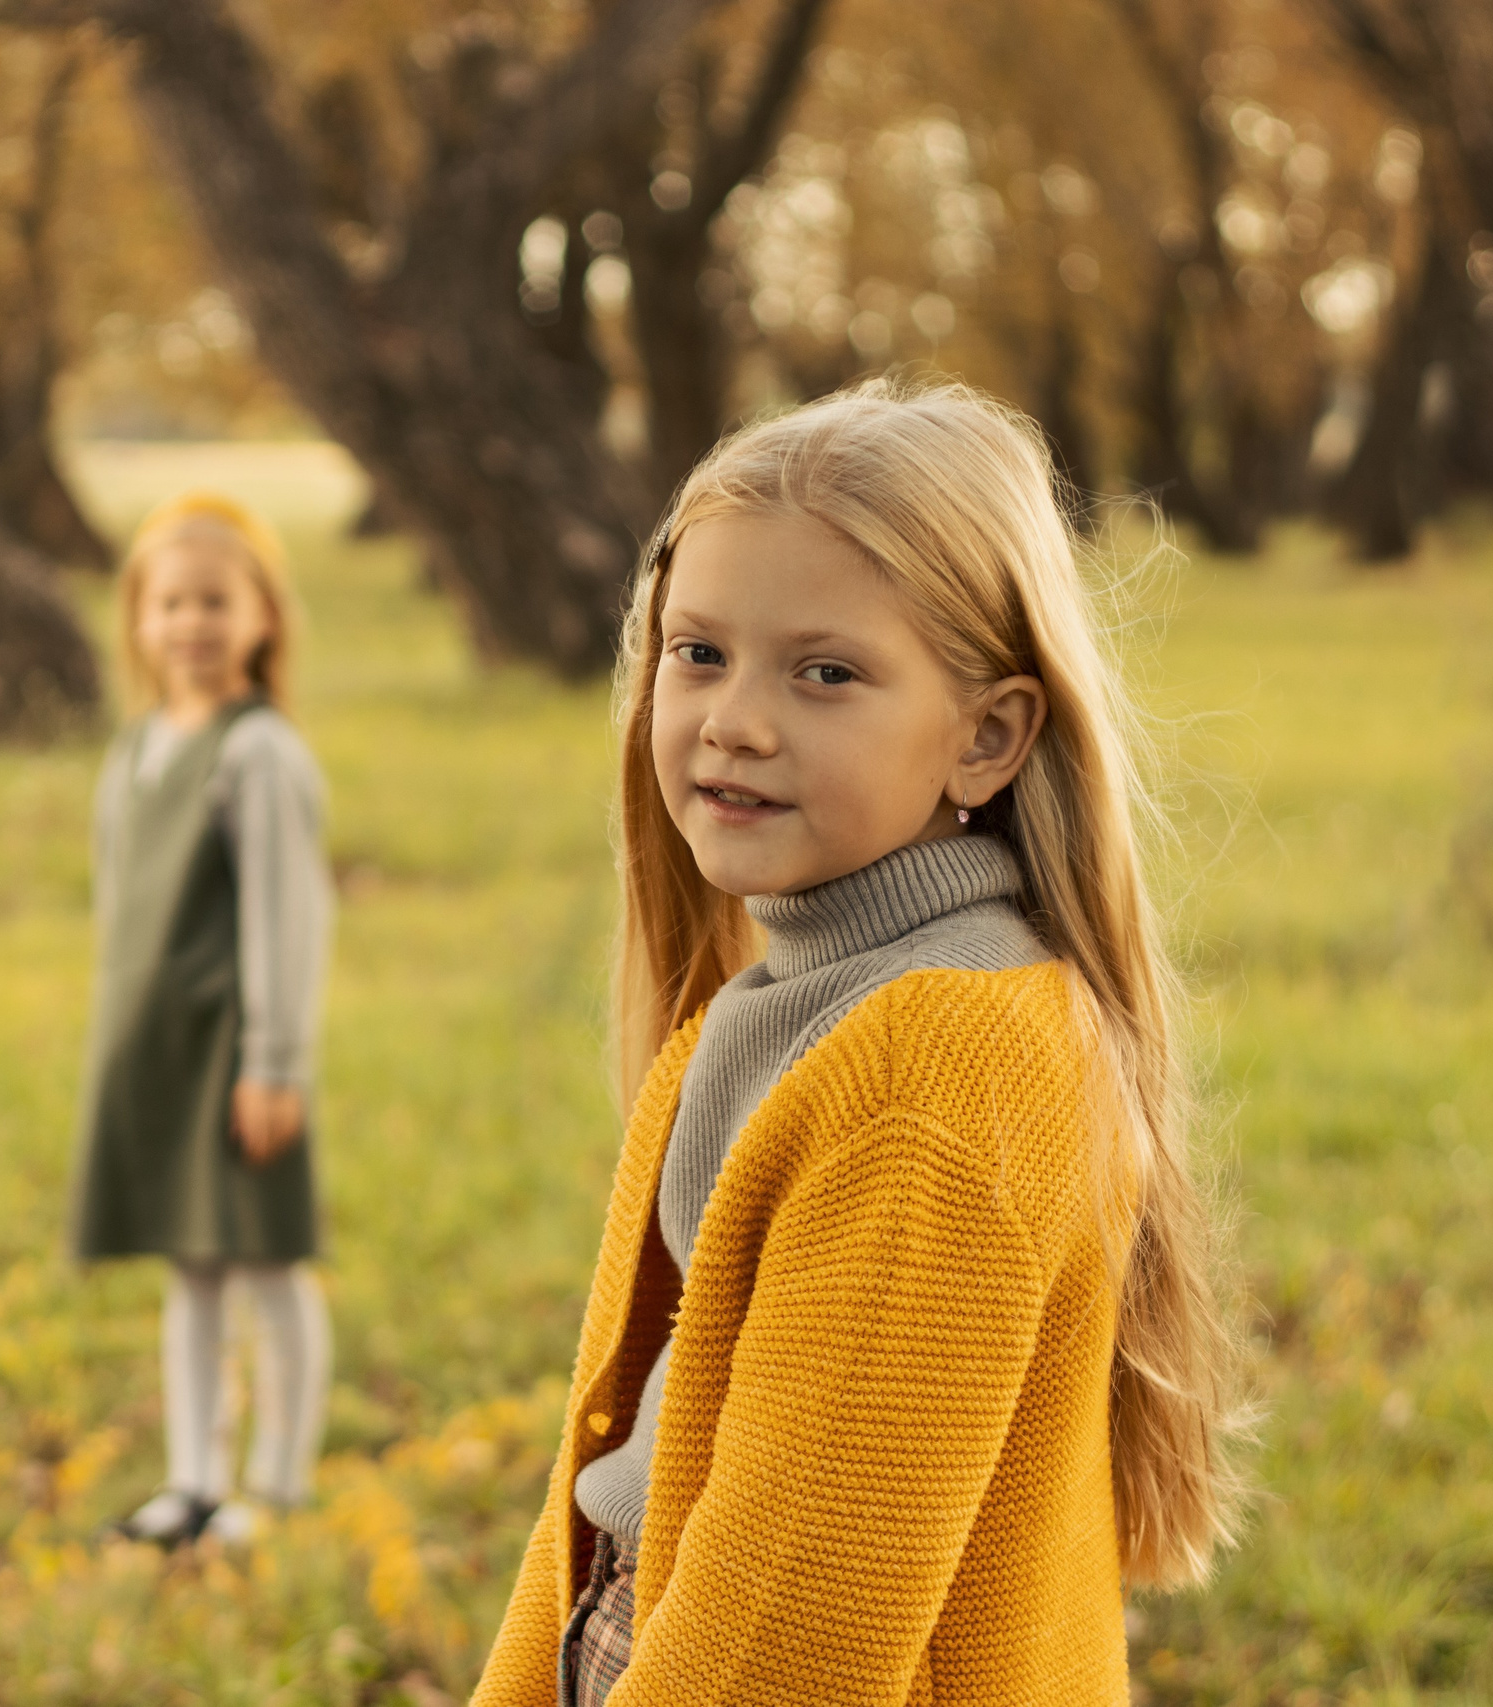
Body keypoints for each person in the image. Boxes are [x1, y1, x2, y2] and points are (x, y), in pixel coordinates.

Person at [471, 381, 1244, 1706]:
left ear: (988, 735)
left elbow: (788, 1638)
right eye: (698, 651)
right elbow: (609, 1500)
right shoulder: (798, 998)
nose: (736, 719)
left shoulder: (930, 1077)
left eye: (825, 672)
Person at [73, 492, 335, 1550]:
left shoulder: (259, 754)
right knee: (188, 1269)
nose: (190, 622)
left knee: (265, 1265)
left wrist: (274, 1063)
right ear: (138, 619)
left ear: (263, 617)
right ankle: (191, 1479)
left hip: (237, 1059)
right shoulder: (135, 747)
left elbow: (287, 917)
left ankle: (272, 1488)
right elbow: (116, 901)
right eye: (169, 602)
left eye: (214, 601)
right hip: (159, 1057)